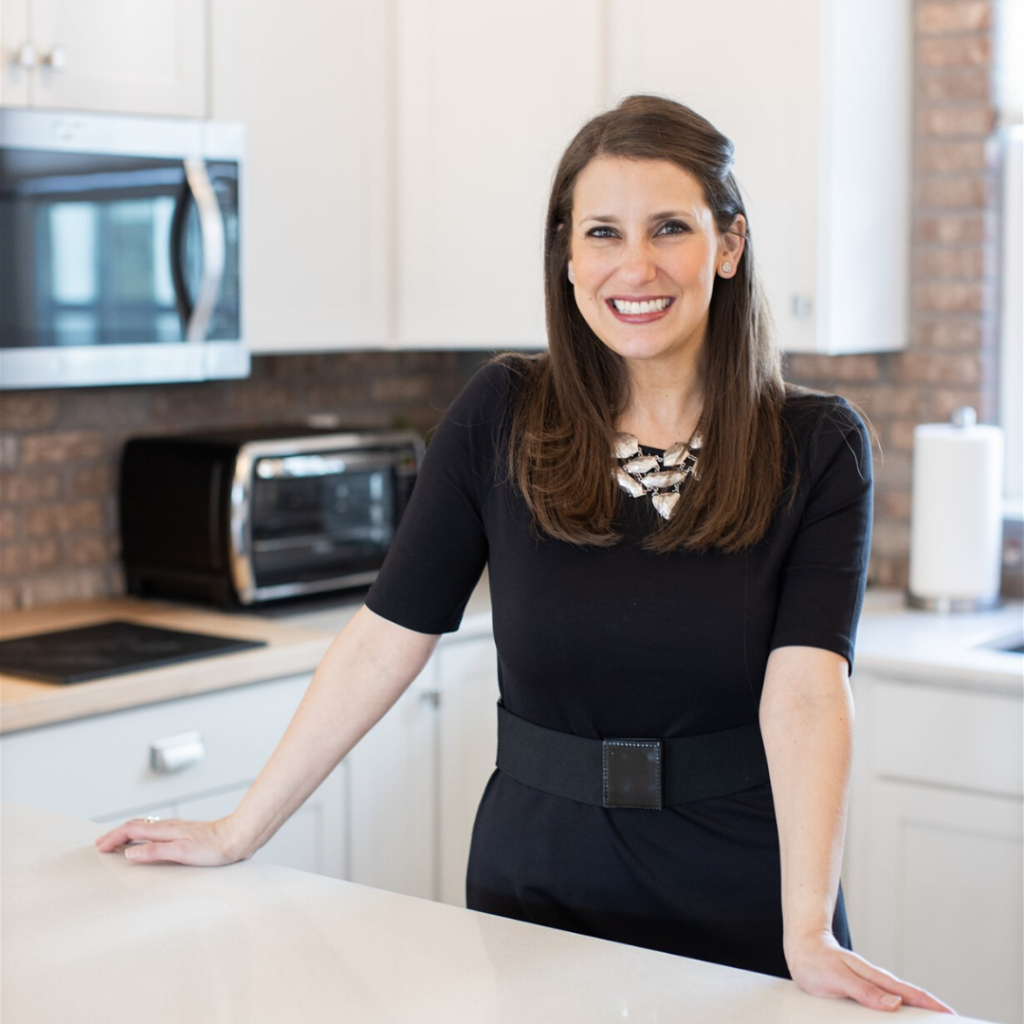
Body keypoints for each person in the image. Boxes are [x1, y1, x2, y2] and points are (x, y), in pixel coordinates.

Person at [97, 95, 951, 1013]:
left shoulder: (819, 445)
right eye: (603, 233)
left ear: (729, 245)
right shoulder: (503, 413)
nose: (636, 266)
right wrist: (238, 830)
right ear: (568, 256)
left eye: (671, 228)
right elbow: (388, 634)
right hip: (536, 885)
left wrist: (807, 930)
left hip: (743, 890)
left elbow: (810, 687)